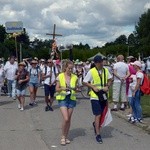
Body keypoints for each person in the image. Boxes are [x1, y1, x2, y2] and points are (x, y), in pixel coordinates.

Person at [83, 55, 112, 144]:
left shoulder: (105, 70)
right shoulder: (91, 71)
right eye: (99, 62)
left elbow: (110, 79)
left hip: (103, 95)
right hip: (95, 96)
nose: (101, 63)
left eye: (102, 61)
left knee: (103, 113)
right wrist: (92, 87)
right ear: (95, 63)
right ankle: (98, 134)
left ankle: (95, 124)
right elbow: (84, 82)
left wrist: (107, 86)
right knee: (98, 114)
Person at [55, 60, 78, 146]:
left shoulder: (75, 77)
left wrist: (76, 89)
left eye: (72, 68)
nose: (71, 70)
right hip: (62, 98)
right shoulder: (60, 76)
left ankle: (66, 136)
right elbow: (57, 89)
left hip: (71, 98)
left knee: (69, 119)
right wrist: (62, 88)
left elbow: (76, 88)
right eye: (69, 68)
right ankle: (63, 137)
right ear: (65, 68)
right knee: (66, 118)